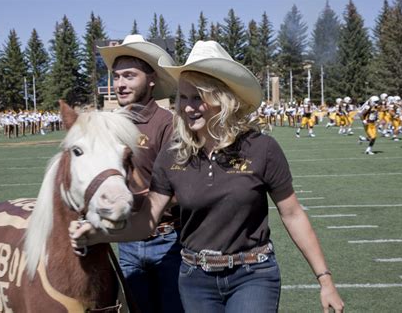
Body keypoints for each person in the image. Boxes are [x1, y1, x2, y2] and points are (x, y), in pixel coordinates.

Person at [71, 40, 344, 313]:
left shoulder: (262, 149)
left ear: (222, 99)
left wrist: (325, 279)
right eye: (184, 97)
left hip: (253, 275)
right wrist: (97, 233)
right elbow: (147, 221)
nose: (189, 107)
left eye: (199, 97)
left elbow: (293, 214)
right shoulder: (172, 155)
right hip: (195, 279)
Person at [97, 34, 183, 313]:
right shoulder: (109, 125)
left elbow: (181, 190)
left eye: (130, 76)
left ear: (152, 79)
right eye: (117, 76)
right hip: (126, 242)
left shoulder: (167, 125)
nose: (120, 84)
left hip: (168, 241)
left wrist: (136, 202)